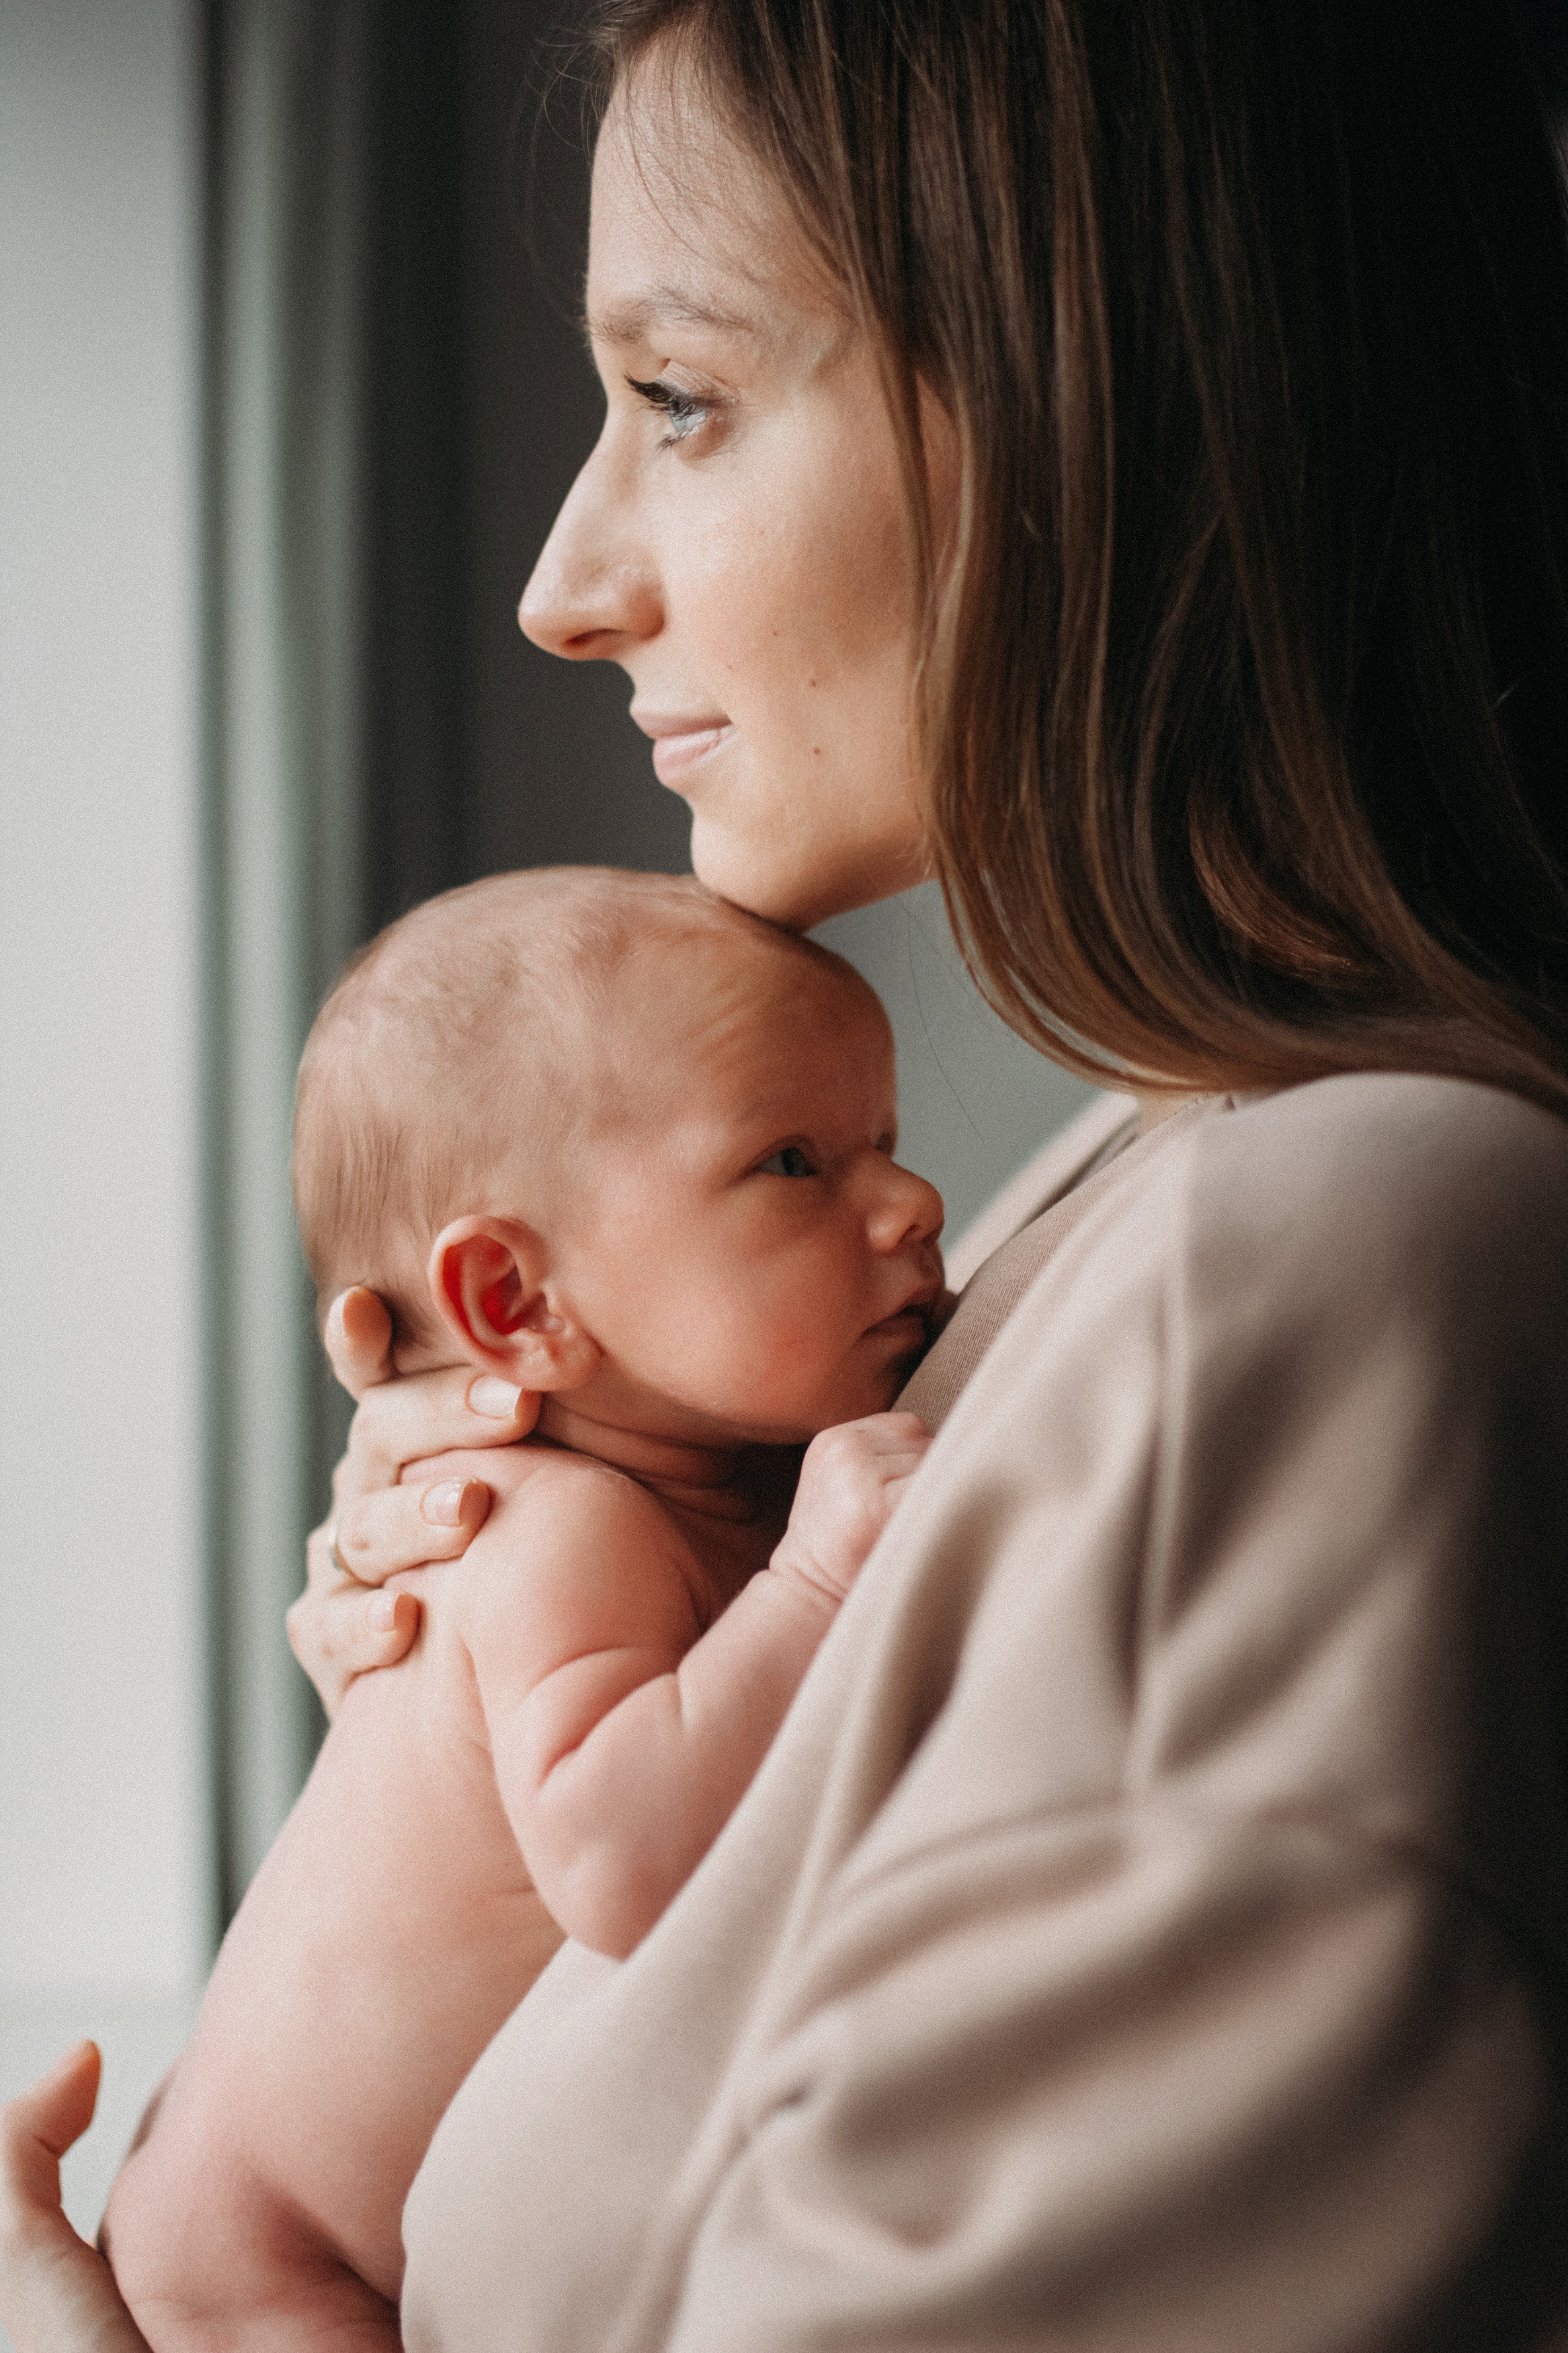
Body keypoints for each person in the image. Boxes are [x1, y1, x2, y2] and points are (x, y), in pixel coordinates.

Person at [5, 0, 1568, 2346]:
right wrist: (592, 1556)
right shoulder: (1131, 1201)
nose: (560, 579)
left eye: (681, 399)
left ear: (1085, 401)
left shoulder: (1320, 1263)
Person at [96, 867, 942, 2342]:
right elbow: (621, 1854)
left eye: (884, 1141)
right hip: (268, 2255)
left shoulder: (708, 1482)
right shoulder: (558, 1528)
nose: (912, 1202)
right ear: (517, 1305)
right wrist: (817, 1575)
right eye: (795, 1163)